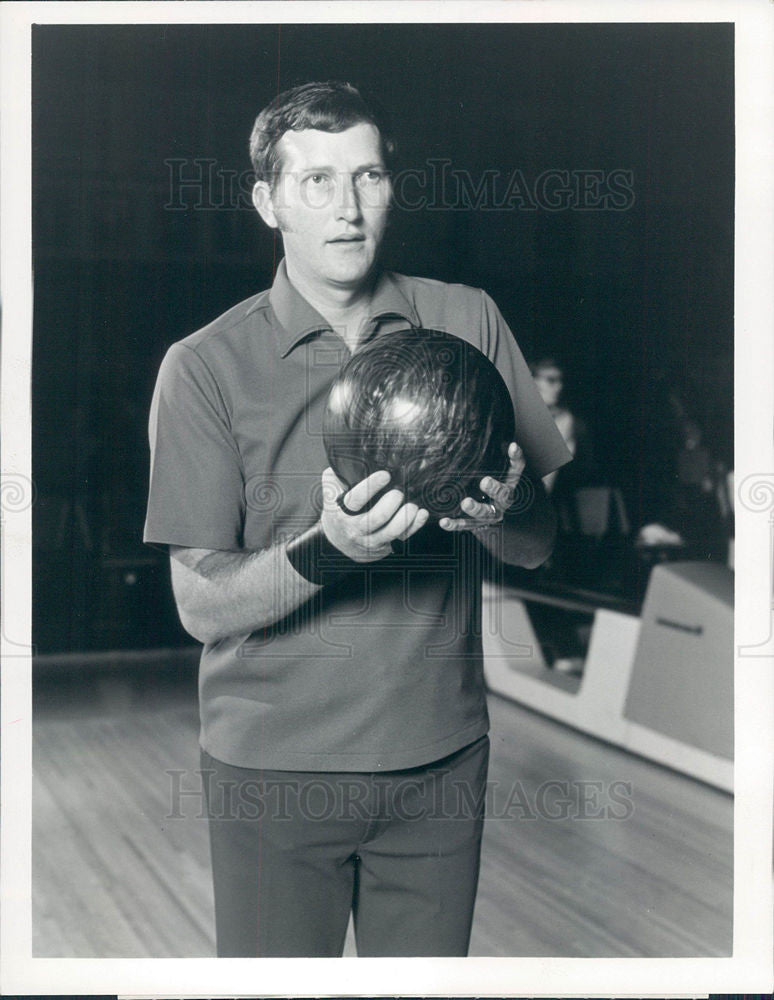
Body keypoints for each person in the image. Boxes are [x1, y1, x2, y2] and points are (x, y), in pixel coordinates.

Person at [144, 81, 572, 958]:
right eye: (316, 182)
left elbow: (538, 544)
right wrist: (328, 551)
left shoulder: (467, 319)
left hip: (441, 766)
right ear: (267, 201)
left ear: (390, 187)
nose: (346, 208)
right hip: (272, 776)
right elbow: (199, 604)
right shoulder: (203, 368)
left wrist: (505, 506)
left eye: (367, 177)